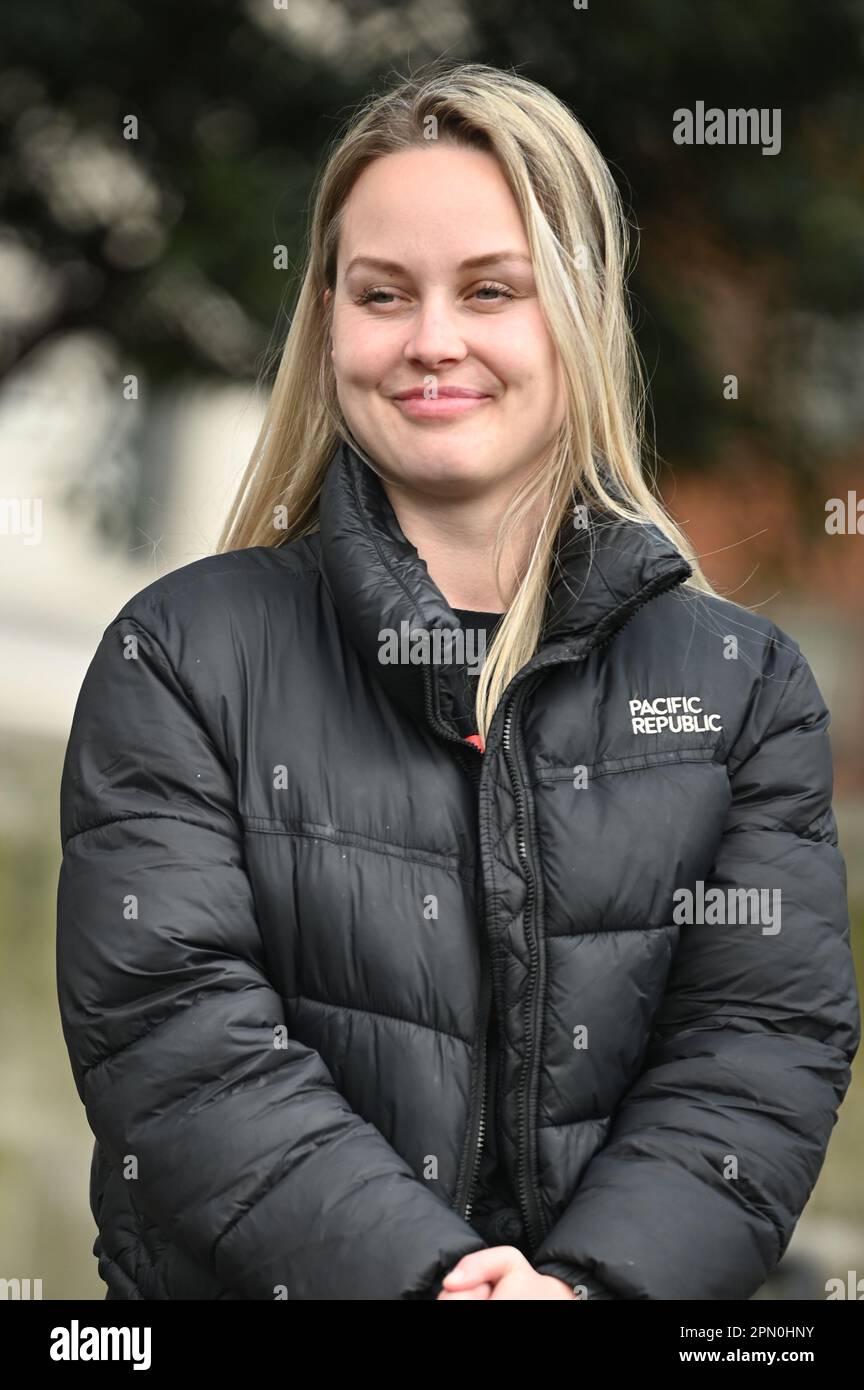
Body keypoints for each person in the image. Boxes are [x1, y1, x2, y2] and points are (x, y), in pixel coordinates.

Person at [56, 60, 860, 1301]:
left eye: (492, 289)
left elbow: (755, 1048)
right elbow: (176, 1042)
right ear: (330, 320)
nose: (435, 340)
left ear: (579, 318)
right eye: (385, 293)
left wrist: (595, 1287)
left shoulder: (743, 688)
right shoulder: (181, 655)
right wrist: (429, 1280)